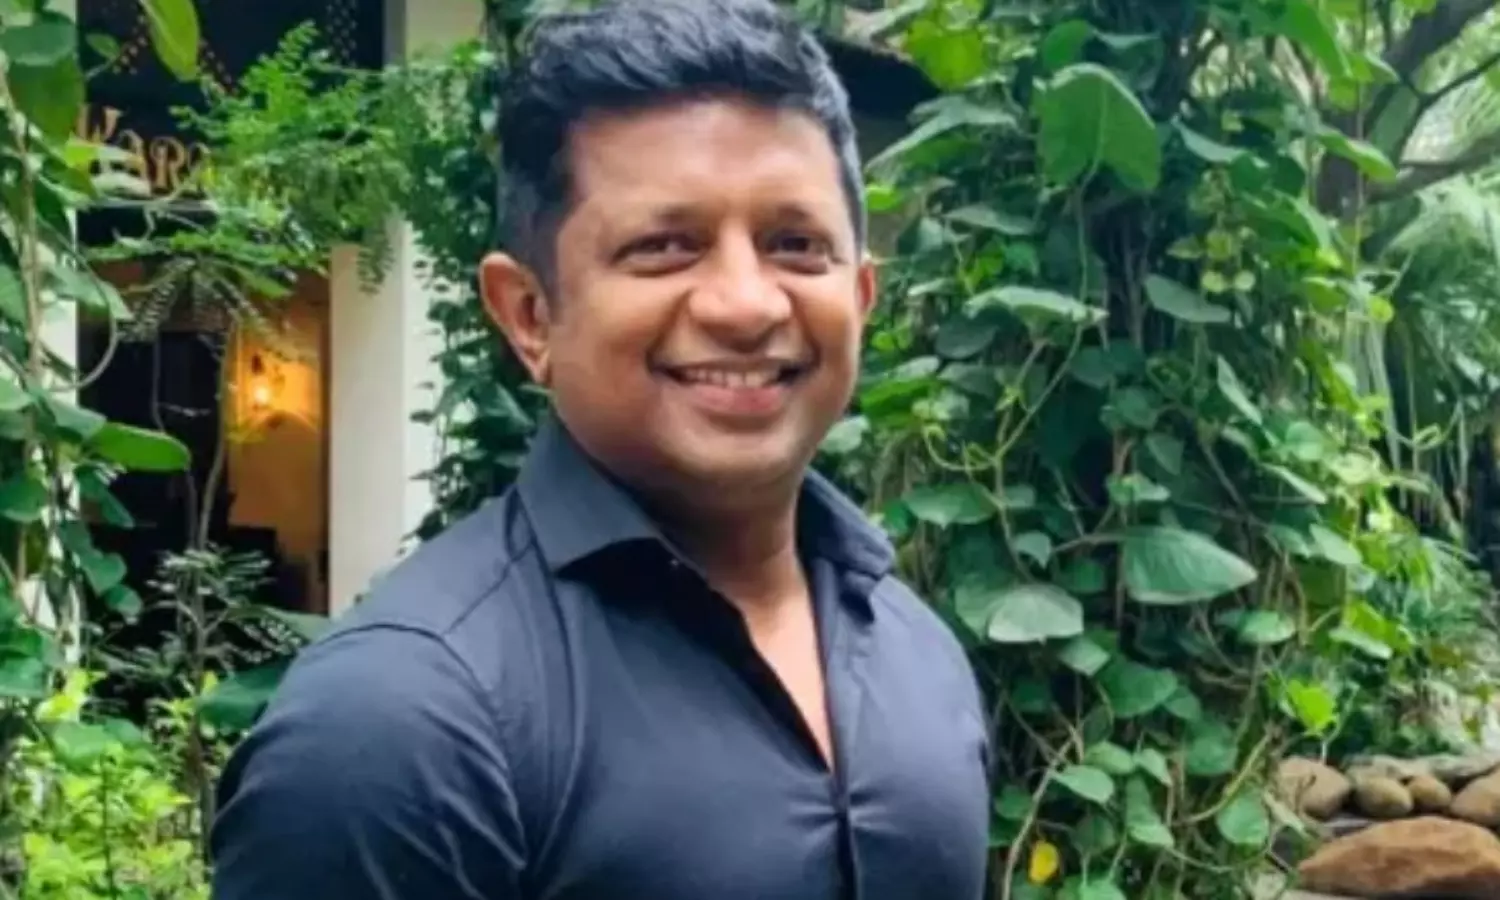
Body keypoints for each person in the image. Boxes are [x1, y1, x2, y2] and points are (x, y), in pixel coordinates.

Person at [209, 0, 990, 897]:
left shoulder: (914, 651)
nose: (746, 304)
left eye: (795, 245)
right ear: (529, 315)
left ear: (860, 295)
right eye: (665, 247)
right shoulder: (397, 727)